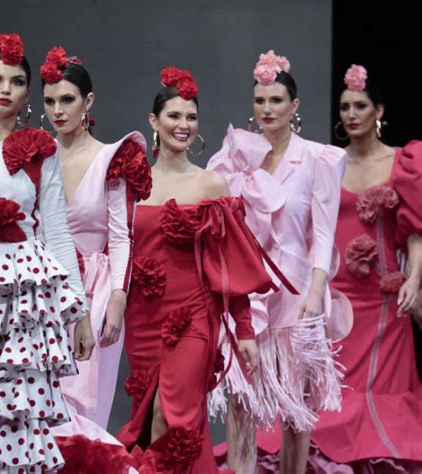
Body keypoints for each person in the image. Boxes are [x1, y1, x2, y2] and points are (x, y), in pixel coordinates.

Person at [116, 66, 283, 473]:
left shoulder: (211, 184)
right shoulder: (133, 185)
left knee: (170, 415)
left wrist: (245, 330)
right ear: (154, 121)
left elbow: (231, 265)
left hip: (192, 315)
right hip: (143, 319)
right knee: (147, 419)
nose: (184, 125)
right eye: (174, 115)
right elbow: (118, 251)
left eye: (191, 117)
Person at [0, 34, 94, 472]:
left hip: (25, 309)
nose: (5, 89)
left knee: (17, 422)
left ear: (28, 94)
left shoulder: (40, 150)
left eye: (15, 82)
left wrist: (79, 313)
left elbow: (58, 232)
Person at [207, 50, 352, 474]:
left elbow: (323, 233)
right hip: (246, 293)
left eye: (276, 100)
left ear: (295, 105)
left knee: (296, 406)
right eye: (260, 100)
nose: (267, 108)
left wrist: (316, 293)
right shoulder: (237, 155)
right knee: (242, 399)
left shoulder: (316, 159)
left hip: (295, 293)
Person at [306, 65, 422, 472]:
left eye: (360, 105)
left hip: (384, 299)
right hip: (336, 299)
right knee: (332, 395)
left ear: (379, 111)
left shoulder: (403, 162)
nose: (351, 114)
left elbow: (415, 231)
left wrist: (415, 279)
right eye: (345, 107)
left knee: (383, 398)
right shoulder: (328, 162)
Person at [40, 46, 150, 429]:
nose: (58, 110)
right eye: (50, 101)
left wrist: (118, 297)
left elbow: (121, 236)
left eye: (67, 100)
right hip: (44, 290)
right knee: (43, 405)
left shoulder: (111, 158)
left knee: (86, 410)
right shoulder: (39, 158)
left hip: (96, 292)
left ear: (88, 102)